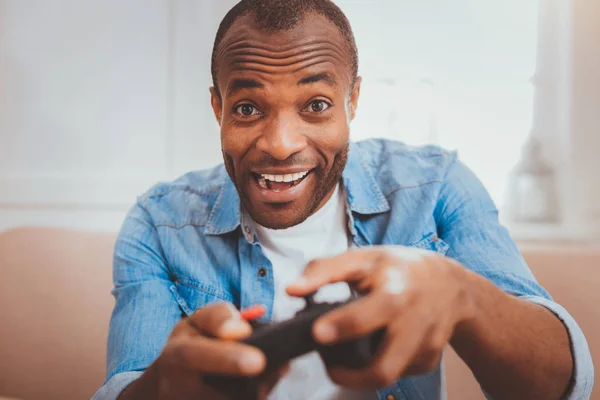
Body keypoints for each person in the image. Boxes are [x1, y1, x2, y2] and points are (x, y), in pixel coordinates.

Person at [92, 1, 594, 399]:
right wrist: (160, 387)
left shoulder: (435, 186)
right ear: (217, 107)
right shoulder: (157, 223)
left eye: (316, 105)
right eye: (247, 107)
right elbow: (126, 385)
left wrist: (462, 296)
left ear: (352, 100)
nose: (281, 143)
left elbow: (559, 386)